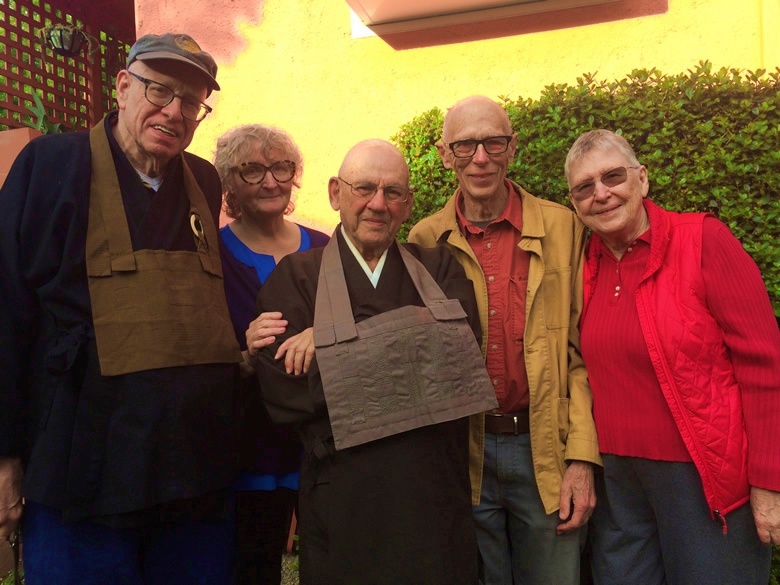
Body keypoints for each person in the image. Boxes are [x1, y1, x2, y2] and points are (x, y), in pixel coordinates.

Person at [0, 33, 243, 584]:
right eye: (160, 90)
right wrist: (5, 457)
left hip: (194, 469)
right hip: (81, 467)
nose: (174, 112)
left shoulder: (203, 178)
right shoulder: (50, 165)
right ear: (124, 86)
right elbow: (7, 309)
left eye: (192, 102)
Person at [247, 139, 498, 585]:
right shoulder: (296, 276)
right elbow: (285, 390)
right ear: (335, 193)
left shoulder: (439, 268)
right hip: (345, 501)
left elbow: (456, 363)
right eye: (364, 188)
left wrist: (327, 343)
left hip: (433, 499)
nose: (377, 204)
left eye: (393, 192)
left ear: (407, 204)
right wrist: (412, 348)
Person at [564, 128, 780, 585]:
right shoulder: (584, 264)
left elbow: (765, 366)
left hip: (704, 482)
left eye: (613, 176)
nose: (601, 194)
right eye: (584, 187)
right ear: (574, 204)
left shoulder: (702, 240)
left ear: (642, 179)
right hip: (619, 484)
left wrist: (769, 480)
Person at [408, 95, 600, 585]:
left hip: (545, 450)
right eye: (465, 145)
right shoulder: (425, 239)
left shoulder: (563, 226)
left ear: (512, 148)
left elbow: (584, 353)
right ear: (444, 153)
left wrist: (581, 457)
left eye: (493, 142)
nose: (480, 157)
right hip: (465, 451)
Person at [213, 124, 328, 585]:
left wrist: (327, 330)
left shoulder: (325, 247)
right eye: (252, 169)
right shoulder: (213, 254)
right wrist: (242, 350)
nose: (270, 181)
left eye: (281, 167)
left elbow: (365, 316)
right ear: (229, 182)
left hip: (319, 441)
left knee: (330, 561)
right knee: (252, 566)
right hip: (248, 444)